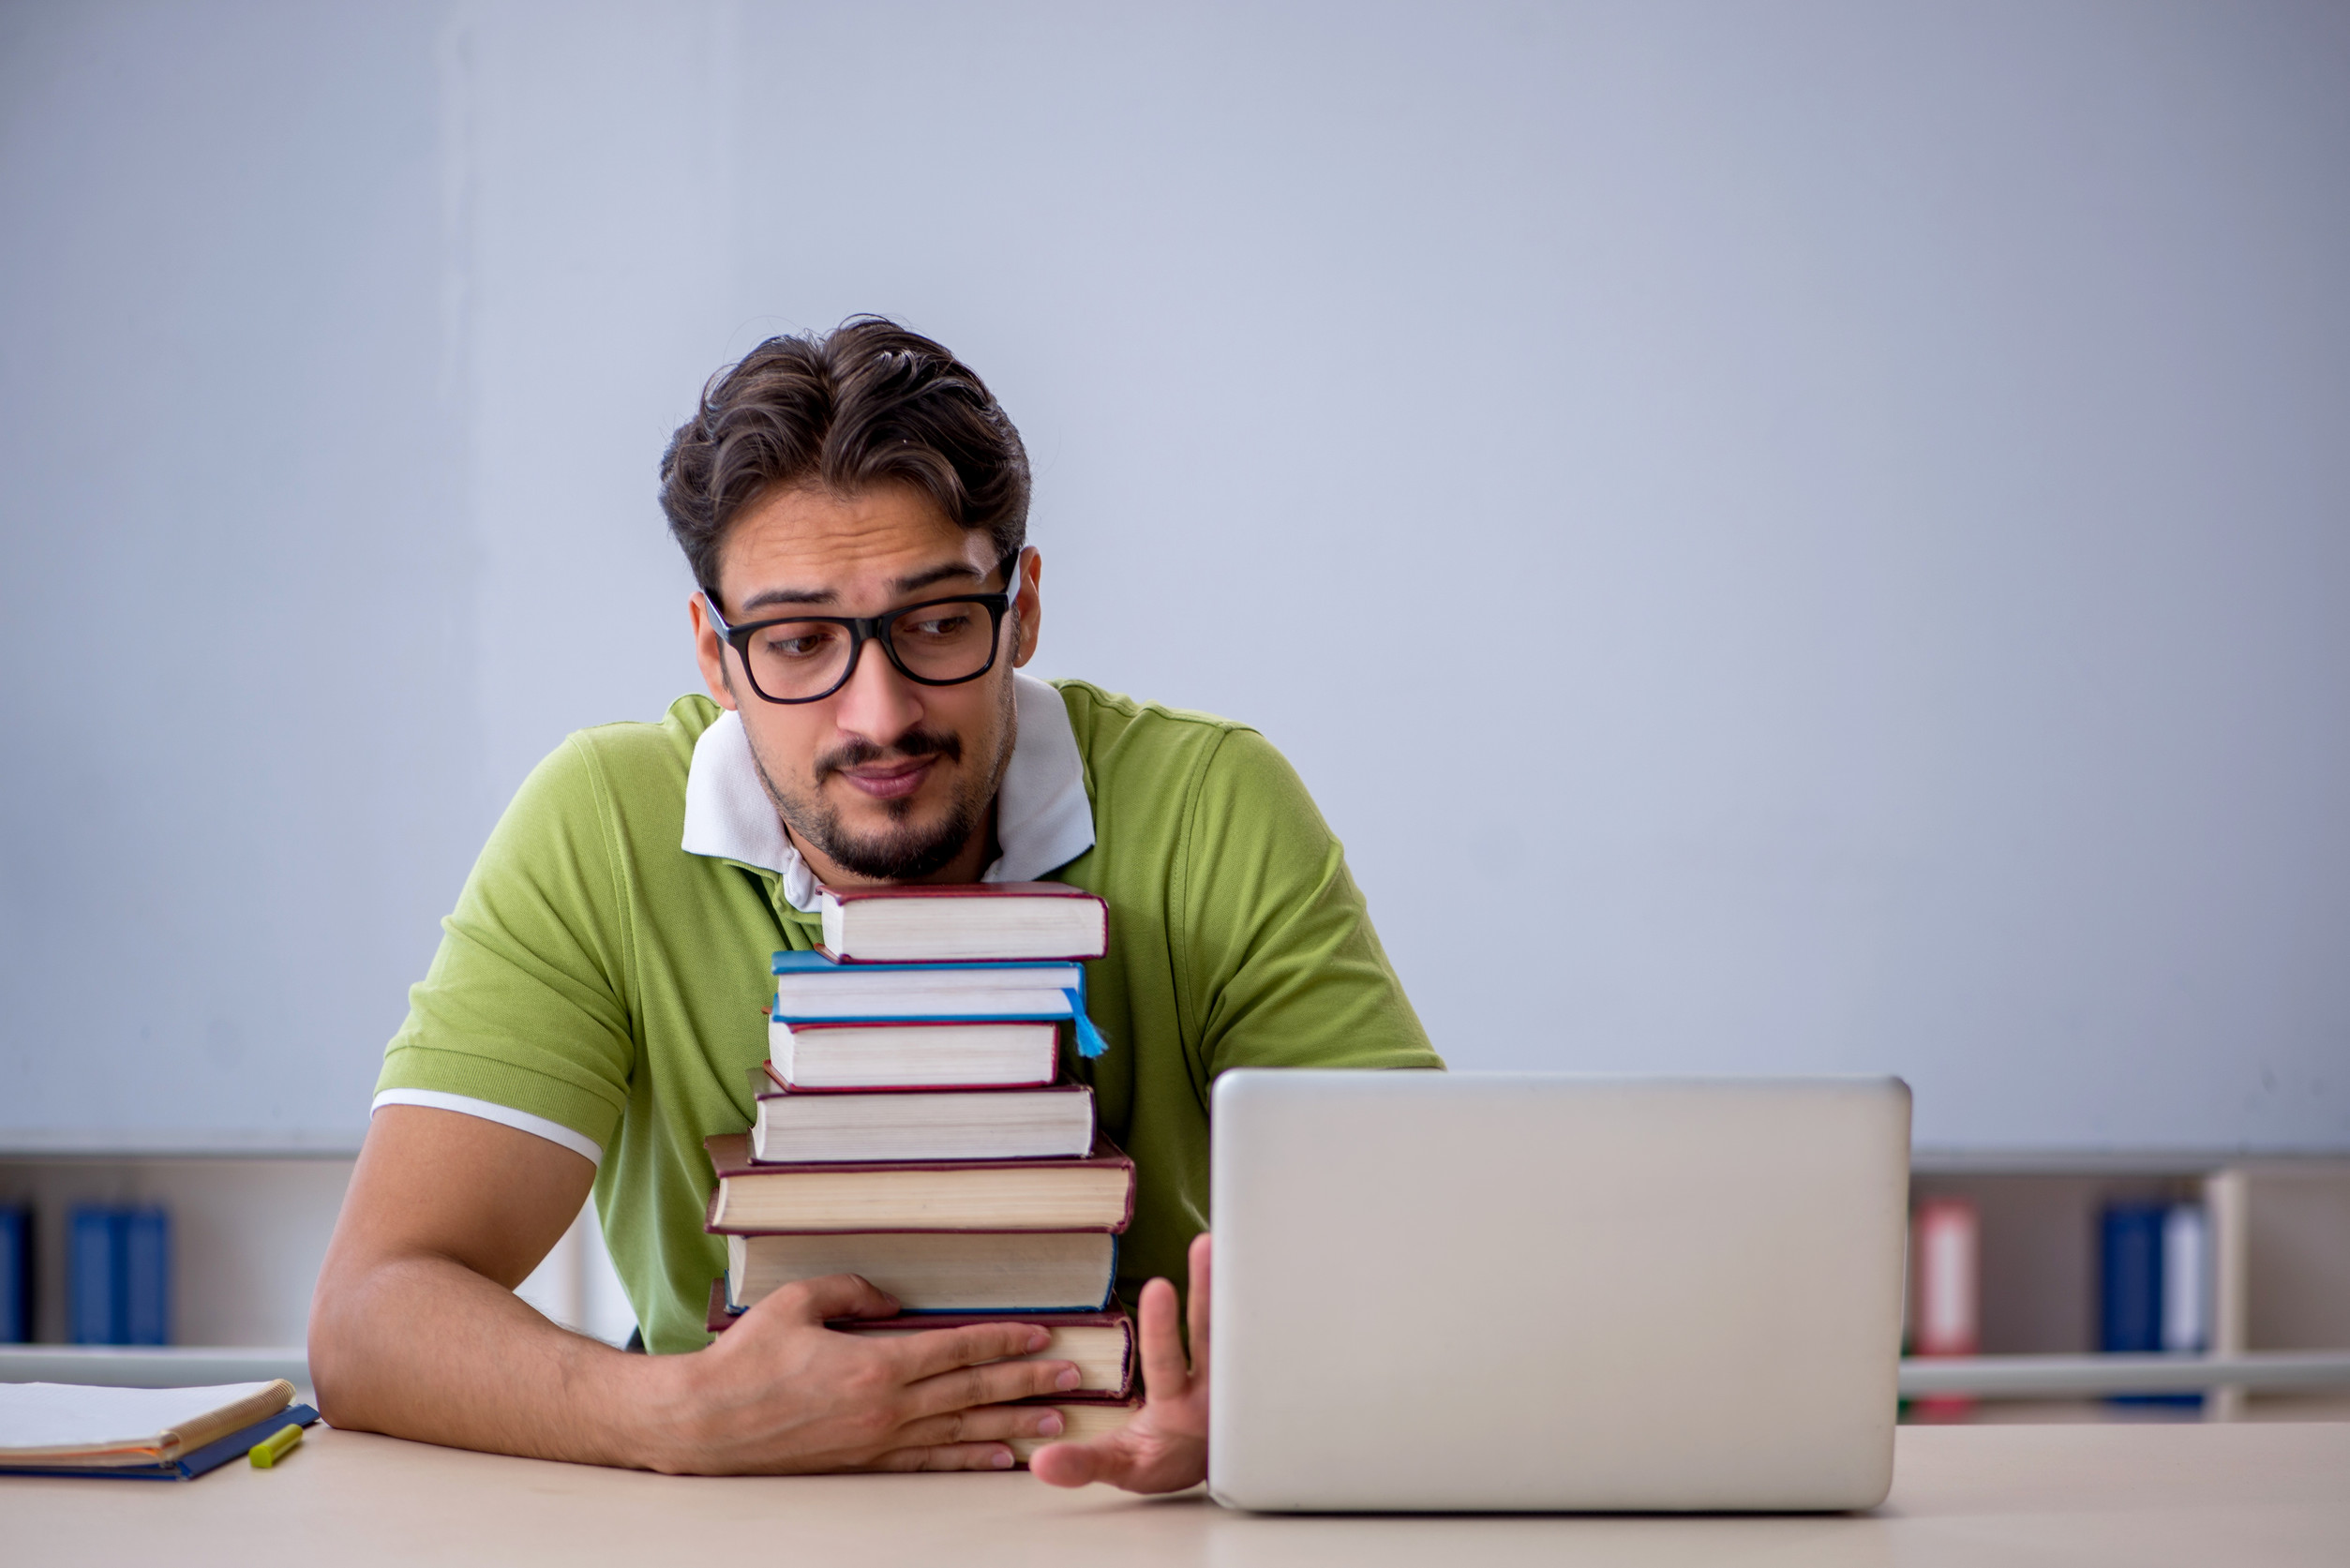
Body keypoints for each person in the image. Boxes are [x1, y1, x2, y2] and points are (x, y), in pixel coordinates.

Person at [307, 318, 1441, 1487]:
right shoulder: (601, 821)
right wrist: (668, 1413)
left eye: (938, 623)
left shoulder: (1212, 803)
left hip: (1116, 1516)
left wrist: (1263, 1404)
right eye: (799, 643)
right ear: (714, 651)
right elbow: (369, 1316)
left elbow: (1420, 1245)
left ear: (1024, 605)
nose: (877, 713)